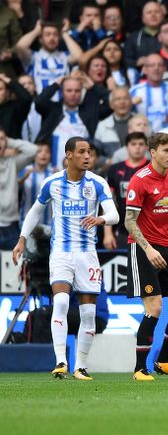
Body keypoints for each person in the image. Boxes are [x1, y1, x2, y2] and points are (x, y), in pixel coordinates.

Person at [12, 137, 119, 380]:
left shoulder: (97, 183)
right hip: (60, 251)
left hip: (87, 254)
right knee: (59, 302)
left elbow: (113, 214)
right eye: (81, 152)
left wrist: (101, 219)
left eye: (89, 152)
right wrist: (21, 238)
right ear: (68, 155)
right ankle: (61, 361)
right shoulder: (53, 183)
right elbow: (35, 211)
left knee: (88, 313)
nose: (87, 156)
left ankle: (80, 366)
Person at [124, 133, 168, 382]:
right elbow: (129, 221)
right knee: (154, 307)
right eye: (166, 150)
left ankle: (164, 360)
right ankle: (139, 368)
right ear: (153, 152)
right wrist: (148, 249)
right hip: (143, 248)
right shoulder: (139, 180)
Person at [103, 132, 149, 251]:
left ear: (146, 147)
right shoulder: (114, 169)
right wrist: (107, 233)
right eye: (133, 144)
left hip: (150, 230)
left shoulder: (153, 168)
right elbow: (108, 202)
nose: (137, 147)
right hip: (123, 230)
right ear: (127, 146)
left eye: (141, 144)